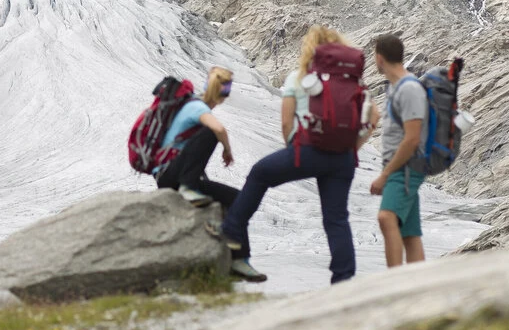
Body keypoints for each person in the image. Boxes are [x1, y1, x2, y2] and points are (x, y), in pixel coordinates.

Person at [213, 26, 379, 284]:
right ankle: (343, 279)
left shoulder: (300, 77)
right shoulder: (353, 82)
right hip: (343, 158)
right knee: (336, 218)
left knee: (260, 173)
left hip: (309, 149)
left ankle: (232, 230)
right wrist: (351, 148)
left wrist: (295, 151)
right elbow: (372, 117)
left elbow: (286, 122)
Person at [154, 67, 262, 281]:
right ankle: (188, 188)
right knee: (210, 133)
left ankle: (239, 259)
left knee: (237, 199)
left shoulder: (193, 106)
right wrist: (227, 150)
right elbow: (219, 130)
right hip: (170, 175)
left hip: (178, 173)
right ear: (225, 94)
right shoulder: (195, 106)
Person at [369, 34, 429, 268]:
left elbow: (412, 138)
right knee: (409, 233)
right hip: (402, 165)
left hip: (405, 166)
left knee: (386, 218)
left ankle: (394, 281)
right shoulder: (398, 87)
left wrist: (385, 175)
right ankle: (417, 283)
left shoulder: (409, 88)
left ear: (380, 58)